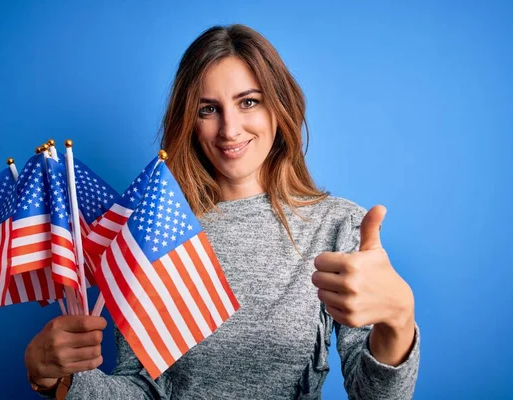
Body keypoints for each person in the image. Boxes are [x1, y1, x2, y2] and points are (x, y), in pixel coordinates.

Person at [24, 24, 420, 399]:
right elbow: (141, 389)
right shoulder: (155, 229)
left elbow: (374, 394)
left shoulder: (337, 226)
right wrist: (59, 380)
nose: (229, 129)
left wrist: (398, 319)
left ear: (279, 109)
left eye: (248, 102)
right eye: (208, 109)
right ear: (189, 122)